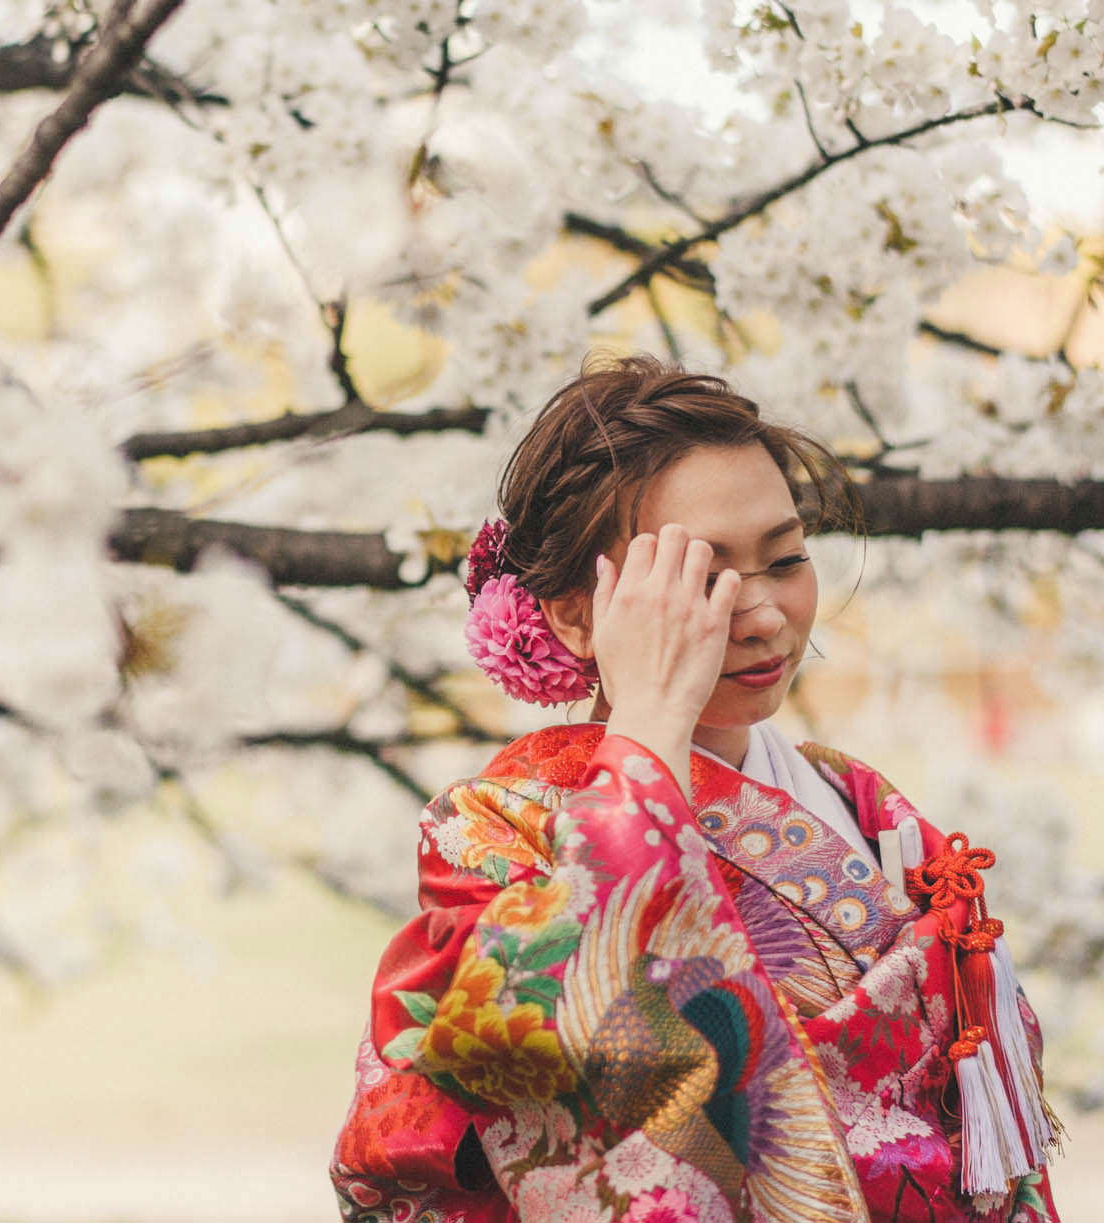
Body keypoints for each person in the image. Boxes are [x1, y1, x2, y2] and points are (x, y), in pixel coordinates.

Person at [330, 358, 1060, 1223]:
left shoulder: (851, 794)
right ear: (575, 611)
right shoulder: (497, 831)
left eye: (785, 558)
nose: (762, 613)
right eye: (702, 576)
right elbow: (571, 1079)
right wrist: (647, 723)